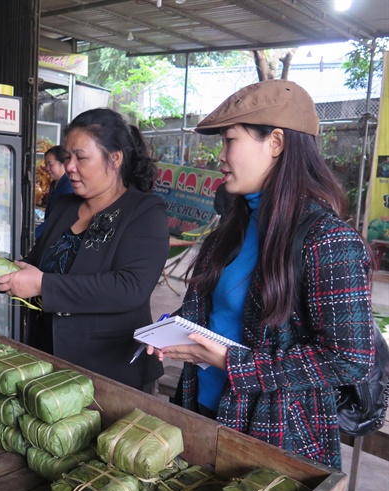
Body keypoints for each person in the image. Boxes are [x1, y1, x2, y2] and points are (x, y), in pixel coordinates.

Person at [147, 79, 375, 470]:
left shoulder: (327, 239)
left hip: (273, 431)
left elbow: (350, 360)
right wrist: (174, 331)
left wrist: (232, 363)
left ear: (276, 143)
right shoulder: (230, 231)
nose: (219, 156)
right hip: (201, 407)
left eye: (229, 140)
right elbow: (211, 312)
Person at [0, 108, 169, 392]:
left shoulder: (144, 212)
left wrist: (42, 284)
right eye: (67, 157)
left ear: (115, 158)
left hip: (111, 371)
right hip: (48, 361)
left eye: (80, 157)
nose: (69, 166)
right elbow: (35, 266)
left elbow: (130, 287)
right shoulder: (63, 206)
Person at [35, 145, 74, 239]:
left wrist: (34, 235)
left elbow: (57, 218)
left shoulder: (69, 187)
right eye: (46, 164)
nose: (47, 168)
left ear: (63, 164)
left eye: (50, 164)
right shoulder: (53, 184)